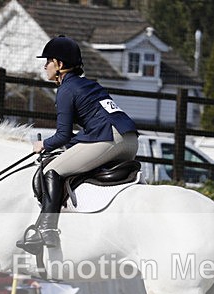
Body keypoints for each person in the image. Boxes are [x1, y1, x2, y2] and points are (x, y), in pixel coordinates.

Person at [17, 35, 139, 252]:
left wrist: (43, 145)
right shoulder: (89, 85)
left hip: (109, 138)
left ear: (60, 65)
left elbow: (62, 135)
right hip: (129, 139)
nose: (45, 66)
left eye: (48, 61)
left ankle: (47, 229)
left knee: (52, 169)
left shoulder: (66, 89)